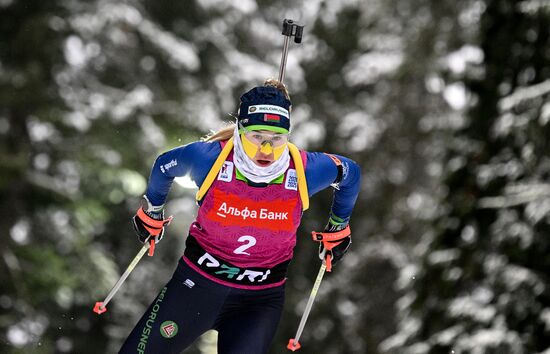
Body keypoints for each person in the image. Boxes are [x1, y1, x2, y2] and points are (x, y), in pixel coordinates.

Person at [119, 79, 361, 354]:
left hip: (258, 302)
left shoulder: (304, 170)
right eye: (257, 136)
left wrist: (338, 226)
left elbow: (350, 173)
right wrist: (152, 212)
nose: (267, 150)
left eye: (277, 139)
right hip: (195, 287)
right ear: (240, 130)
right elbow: (164, 165)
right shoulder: (210, 158)